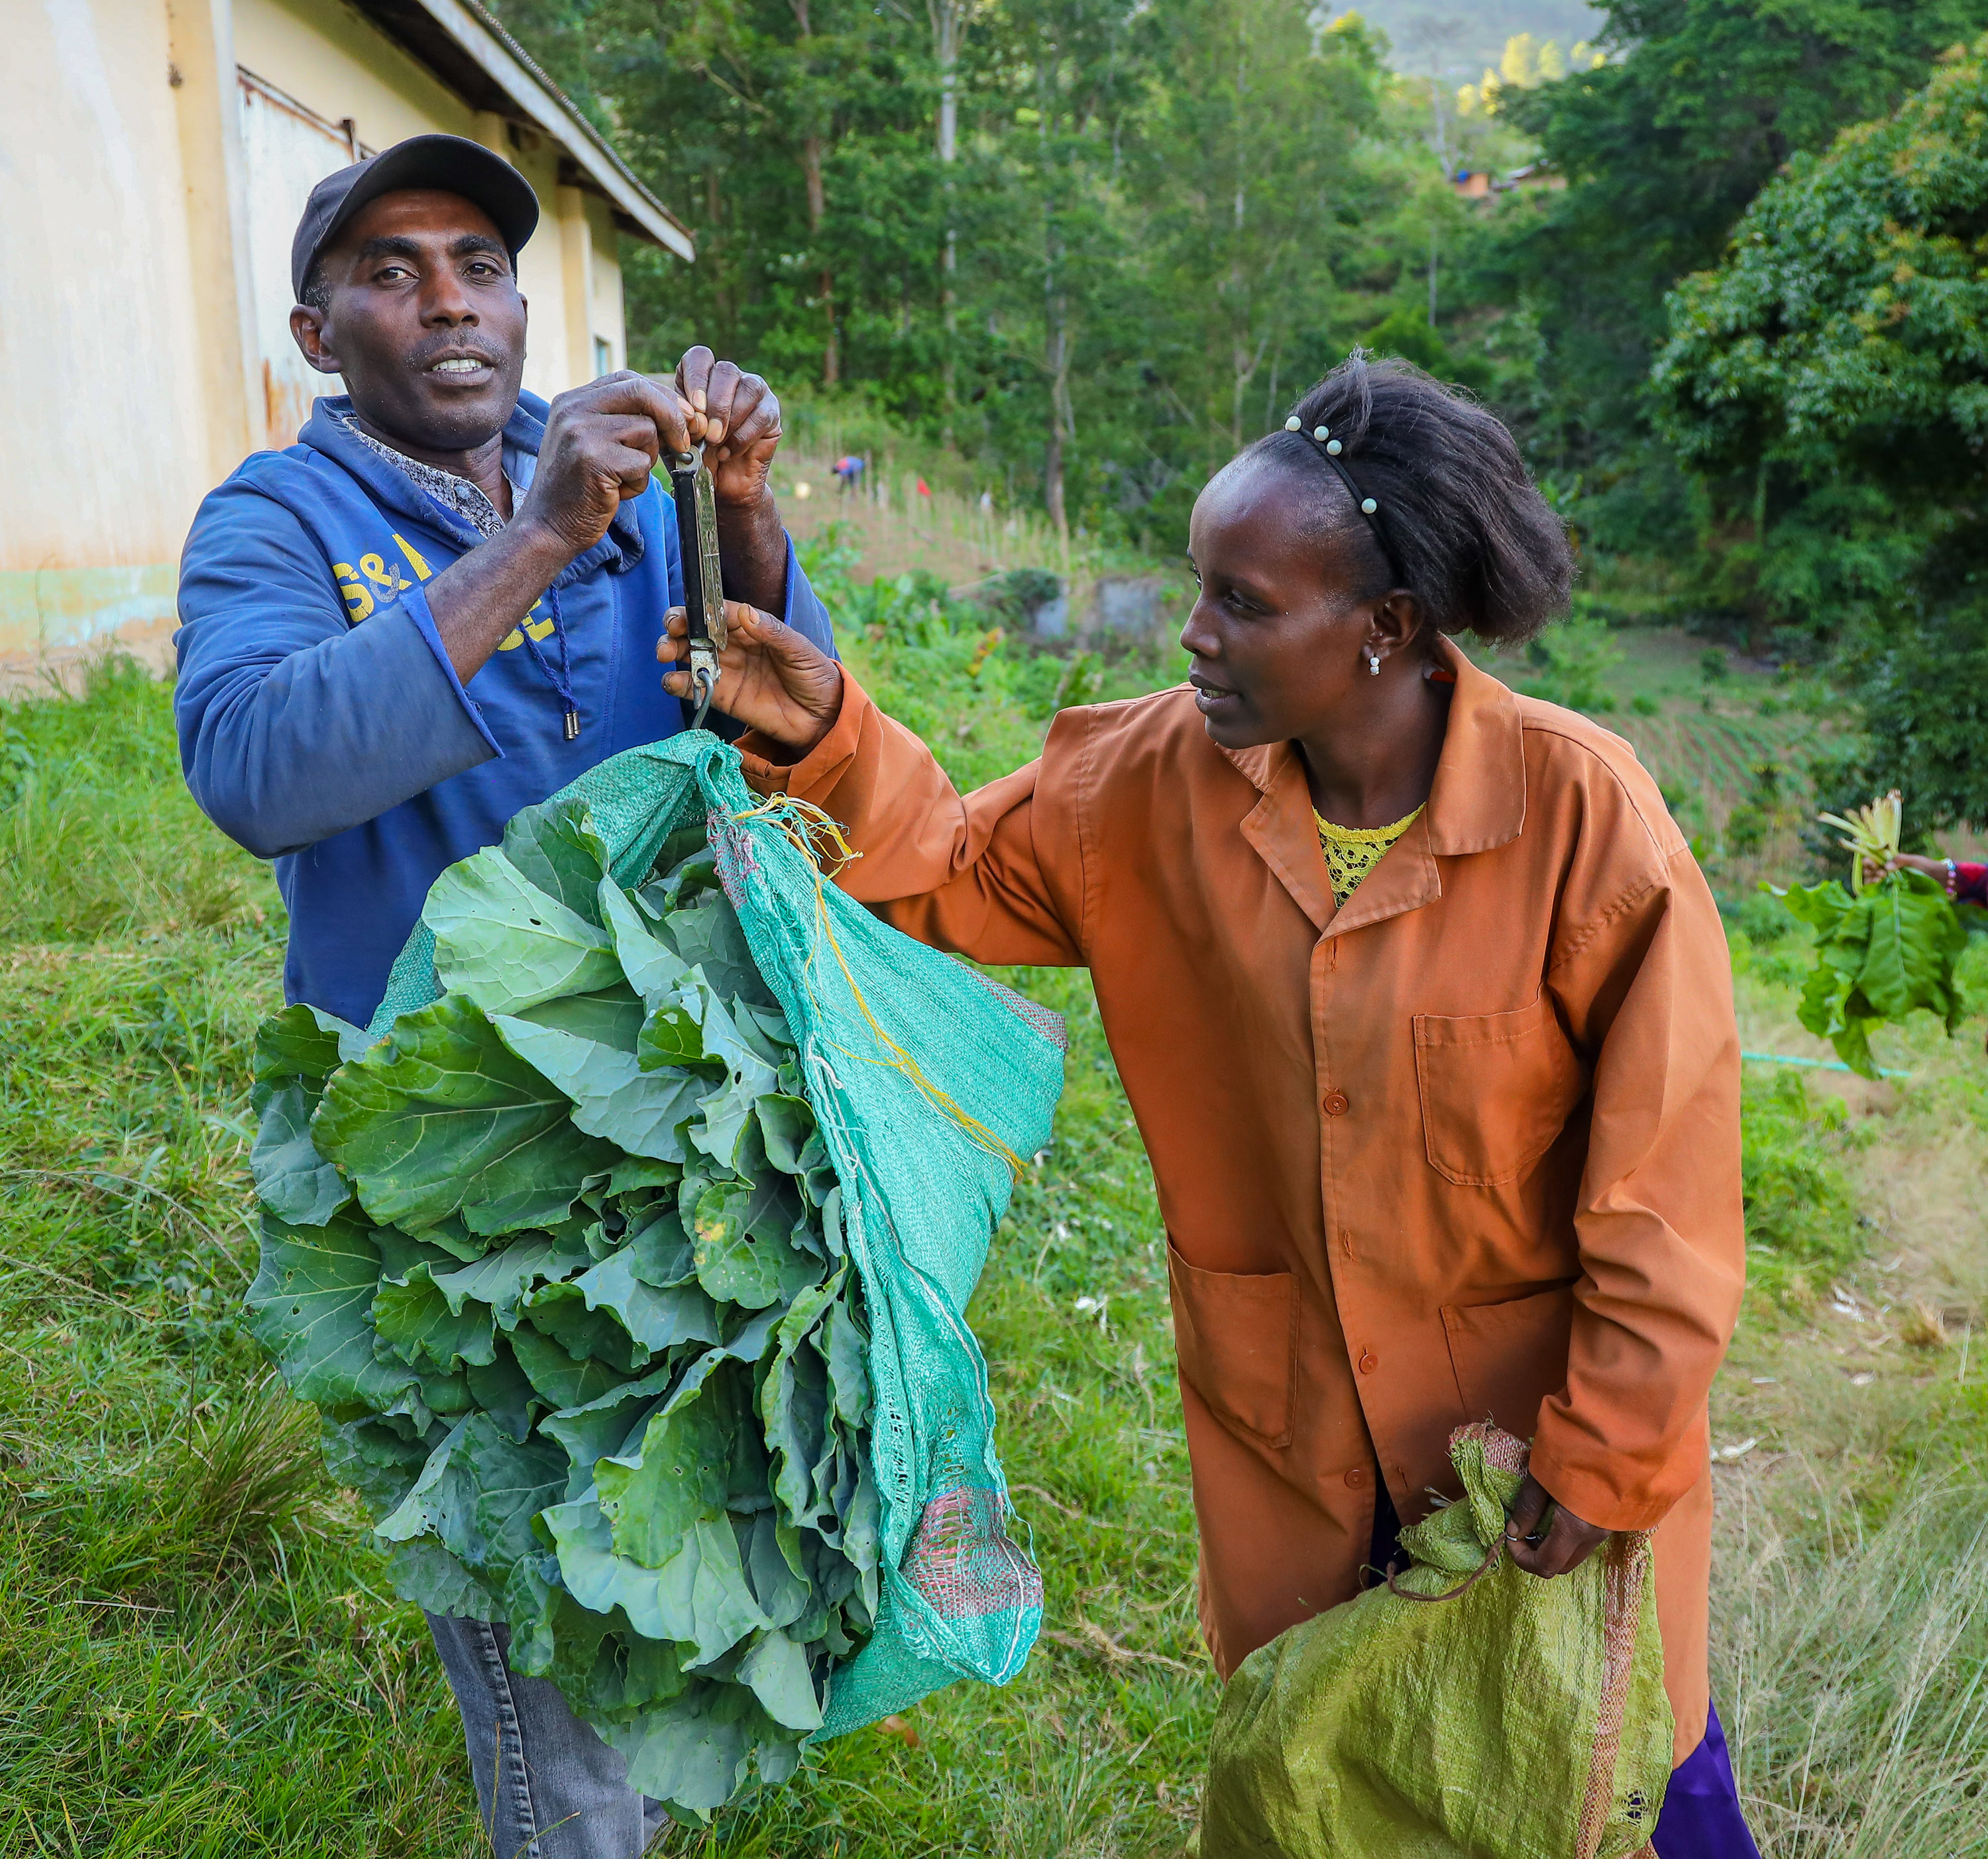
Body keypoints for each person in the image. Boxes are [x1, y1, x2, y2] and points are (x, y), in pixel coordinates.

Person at [662, 356, 1762, 1854]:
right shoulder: (1148, 778)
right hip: (1293, 1427)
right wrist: (829, 734)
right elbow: (952, 870)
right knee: (1325, 1782)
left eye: (1246, 601)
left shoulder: (1583, 816)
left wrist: (1606, 1453)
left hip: (1533, 1446)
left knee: (1602, 1784)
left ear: (1384, 631)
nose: (1194, 630)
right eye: (1200, 583)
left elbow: (1667, 1189)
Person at [174, 133, 836, 1857]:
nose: (449, 303)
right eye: (390, 274)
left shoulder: (630, 487)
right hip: (444, 1166)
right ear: (319, 337)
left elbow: (787, 727)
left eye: (479, 263)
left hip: (677, 1134)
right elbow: (255, 771)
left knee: (668, 1556)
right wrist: (540, 541)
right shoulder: (281, 517)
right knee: (545, 1639)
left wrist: (745, 510)